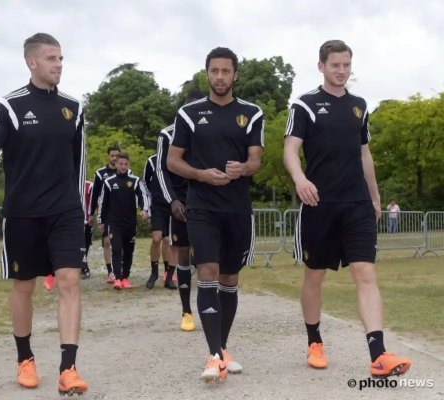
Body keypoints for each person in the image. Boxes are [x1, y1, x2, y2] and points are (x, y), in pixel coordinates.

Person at [283, 39, 411, 378]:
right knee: (315, 275)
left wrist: (375, 196)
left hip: (357, 204)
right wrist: (300, 179)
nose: (341, 71)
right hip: (319, 204)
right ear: (321, 66)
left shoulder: (359, 106)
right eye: (335, 65)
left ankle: (378, 355)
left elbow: (364, 154)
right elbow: (290, 149)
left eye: (346, 65)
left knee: (365, 274)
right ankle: (314, 342)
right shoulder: (305, 105)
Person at [0, 33, 88, 395]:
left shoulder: (74, 108)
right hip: (23, 213)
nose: (59, 64)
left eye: (61, 58)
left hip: (65, 211)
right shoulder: (9, 106)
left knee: (69, 281)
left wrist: (81, 207)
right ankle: (25, 359)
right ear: (32, 62)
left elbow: (79, 163)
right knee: (25, 285)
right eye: (52, 58)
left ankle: (68, 369)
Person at [167, 47, 262, 382]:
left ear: (235, 75)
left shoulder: (251, 113)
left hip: (237, 207)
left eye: (226, 71)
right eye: (214, 71)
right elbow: (173, 161)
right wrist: (200, 174)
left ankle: (222, 348)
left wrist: (243, 169)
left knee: (230, 278)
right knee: (208, 270)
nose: (220, 77)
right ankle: (214, 356)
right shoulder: (189, 113)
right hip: (202, 206)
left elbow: (255, 161)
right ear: (206, 73)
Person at [156, 89, 206, 331]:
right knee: (183, 255)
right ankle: (186, 312)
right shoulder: (167, 134)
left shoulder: (209, 131)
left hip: (206, 201)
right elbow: (161, 170)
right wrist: (172, 200)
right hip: (181, 203)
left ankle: (210, 308)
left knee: (208, 257)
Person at [98, 152, 149, 289]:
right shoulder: (109, 182)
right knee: (116, 249)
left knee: (128, 251)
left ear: (129, 165)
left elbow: (143, 196)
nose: (123, 166)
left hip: (130, 223)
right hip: (114, 223)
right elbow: (103, 203)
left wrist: (144, 209)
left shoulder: (135, 181)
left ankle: (125, 277)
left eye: (126, 164)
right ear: (116, 164)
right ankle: (117, 278)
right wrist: (101, 221)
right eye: (120, 164)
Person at [141, 153, 177, 289]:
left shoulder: (177, 158)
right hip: (157, 206)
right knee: (156, 239)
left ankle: (169, 276)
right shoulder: (152, 160)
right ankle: (154, 273)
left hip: (173, 205)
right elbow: (144, 182)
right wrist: (151, 199)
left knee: (169, 241)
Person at [87, 146, 122, 284]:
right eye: (112, 155)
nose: (114, 158)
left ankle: (120, 269)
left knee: (120, 242)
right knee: (107, 242)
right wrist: (91, 213)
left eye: (116, 155)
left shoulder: (124, 172)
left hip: (121, 213)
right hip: (106, 212)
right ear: (108, 156)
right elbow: (94, 195)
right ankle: (110, 271)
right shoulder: (100, 173)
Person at [82, 180, 94, 278]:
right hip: (73, 221)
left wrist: (91, 215)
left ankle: (83, 266)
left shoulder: (89, 185)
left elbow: (94, 201)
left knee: (85, 245)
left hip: (87, 221)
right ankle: (84, 267)